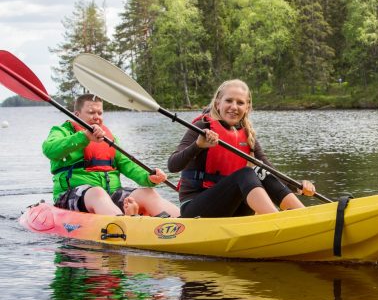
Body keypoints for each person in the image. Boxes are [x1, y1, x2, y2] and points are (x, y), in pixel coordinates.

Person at [168, 79, 315, 218]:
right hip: (196, 207)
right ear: (218, 103)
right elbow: (173, 165)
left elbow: (269, 168)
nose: (234, 107)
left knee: (260, 170)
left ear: (247, 107)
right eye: (229, 101)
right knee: (246, 173)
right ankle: (277, 221)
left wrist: (297, 187)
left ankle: (304, 217)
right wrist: (197, 145)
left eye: (240, 102)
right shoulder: (202, 127)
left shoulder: (247, 134)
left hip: (232, 208)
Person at [43, 94, 180, 217]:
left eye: (100, 113)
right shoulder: (62, 132)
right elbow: (49, 150)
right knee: (97, 193)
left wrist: (149, 177)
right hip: (73, 194)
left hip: (110, 194)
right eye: (91, 112)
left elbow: (128, 165)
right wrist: (84, 137)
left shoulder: (108, 138)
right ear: (77, 115)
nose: (97, 117)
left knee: (148, 193)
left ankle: (184, 222)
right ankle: (126, 225)